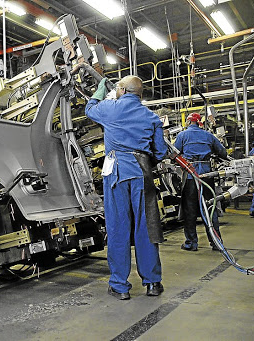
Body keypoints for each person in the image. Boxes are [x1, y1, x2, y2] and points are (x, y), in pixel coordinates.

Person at [85, 75, 167, 300]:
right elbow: (160, 152)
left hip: (116, 173)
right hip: (142, 174)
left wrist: (101, 91)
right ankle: (152, 283)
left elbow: (90, 109)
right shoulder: (151, 117)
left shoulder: (110, 108)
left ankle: (120, 286)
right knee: (146, 228)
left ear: (121, 90)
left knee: (119, 229)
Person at [174, 113, 227, 251]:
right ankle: (216, 242)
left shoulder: (182, 135)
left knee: (189, 210)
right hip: (207, 176)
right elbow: (223, 153)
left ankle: (191, 243)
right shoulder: (209, 136)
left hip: (191, 176)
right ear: (199, 123)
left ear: (188, 122)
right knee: (210, 208)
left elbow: (174, 153)